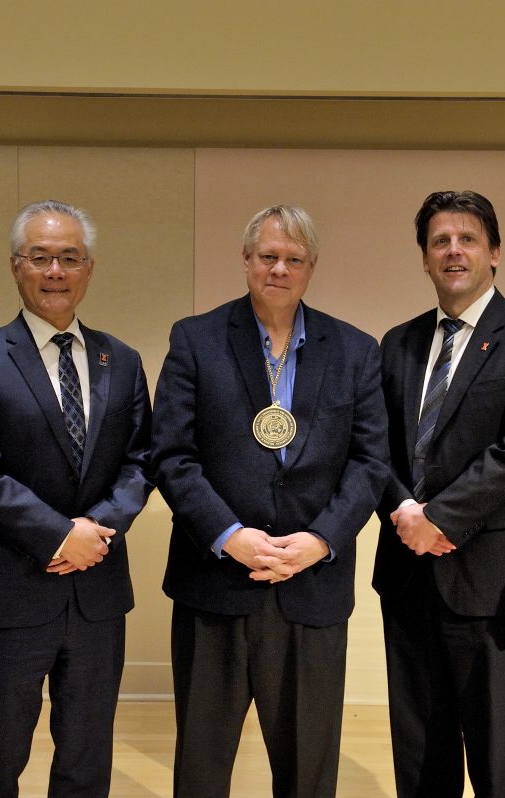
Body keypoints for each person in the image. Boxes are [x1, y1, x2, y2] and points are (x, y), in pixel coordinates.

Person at [151, 205, 389, 797]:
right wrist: (228, 535)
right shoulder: (196, 339)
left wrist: (320, 540)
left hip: (311, 584)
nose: (279, 269)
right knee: (203, 765)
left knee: (308, 768)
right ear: (246, 260)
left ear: (311, 267)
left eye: (294, 259)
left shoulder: (356, 351)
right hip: (216, 581)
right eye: (268, 257)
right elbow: (171, 455)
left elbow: (370, 464)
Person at [0, 200, 152, 797]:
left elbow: (142, 460)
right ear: (16, 267)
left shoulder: (123, 360)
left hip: (97, 596)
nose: (55, 271)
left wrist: (98, 531)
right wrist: (61, 536)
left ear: (89, 269)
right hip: (10, 592)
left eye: (69, 258)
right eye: (41, 258)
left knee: (87, 760)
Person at [372, 190, 505, 796]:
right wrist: (404, 510)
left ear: (495, 253)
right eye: (440, 241)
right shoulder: (398, 343)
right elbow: (372, 444)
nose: (453, 251)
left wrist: (443, 519)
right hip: (406, 572)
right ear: (425, 259)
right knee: (419, 755)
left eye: (467, 239)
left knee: (496, 756)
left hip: (492, 577)